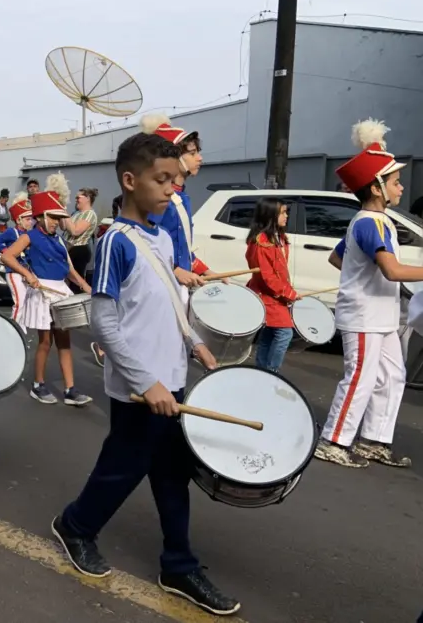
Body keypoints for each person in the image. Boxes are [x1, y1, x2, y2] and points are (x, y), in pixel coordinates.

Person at [50, 132, 237, 617]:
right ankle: (75, 525)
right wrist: (143, 381)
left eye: (176, 180)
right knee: (124, 468)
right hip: (140, 388)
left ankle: (178, 564)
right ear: (130, 181)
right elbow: (103, 320)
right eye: (162, 179)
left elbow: (172, 304)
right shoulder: (115, 241)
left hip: (168, 379)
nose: (172, 188)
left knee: (173, 475)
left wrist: (195, 342)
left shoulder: (162, 235)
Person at [315, 119, 419, 470]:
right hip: (364, 316)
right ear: (376, 188)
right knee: (359, 377)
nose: (401, 187)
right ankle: (333, 441)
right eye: (395, 182)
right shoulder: (371, 222)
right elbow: (392, 270)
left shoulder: (371, 220)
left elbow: (336, 257)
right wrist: (360, 281)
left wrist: (355, 274)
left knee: (392, 376)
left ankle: (374, 440)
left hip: (380, 316)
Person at [0, 177, 93, 407]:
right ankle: (38, 384)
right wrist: (27, 274)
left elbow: (69, 269)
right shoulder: (28, 236)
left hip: (59, 291)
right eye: (52, 217)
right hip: (41, 291)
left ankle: (70, 389)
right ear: (40, 217)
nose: (55, 222)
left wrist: (85, 286)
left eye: (58, 218)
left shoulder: (60, 241)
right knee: (45, 342)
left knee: (64, 341)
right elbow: (6, 256)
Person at [140, 114, 225, 293]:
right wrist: (175, 270)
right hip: (158, 287)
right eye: (192, 153)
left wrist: (208, 272)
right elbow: (143, 243)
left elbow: (183, 249)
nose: (200, 158)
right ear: (173, 157)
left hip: (177, 287)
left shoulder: (182, 197)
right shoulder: (158, 197)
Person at [245, 198, 298, 373]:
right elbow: (266, 276)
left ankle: (261, 370)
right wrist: (288, 293)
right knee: (284, 333)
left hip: (276, 294)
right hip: (267, 294)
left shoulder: (280, 237)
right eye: (282, 212)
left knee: (269, 333)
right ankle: (271, 371)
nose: (286, 216)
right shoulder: (260, 241)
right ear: (270, 215)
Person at [0, 192, 33, 327]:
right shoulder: (11, 232)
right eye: (27, 219)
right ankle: (12, 328)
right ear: (19, 220)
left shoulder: (29, 234)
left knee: (26, 303)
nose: (30, 221)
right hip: (13, 271)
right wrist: (6, 252)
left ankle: (22, 329)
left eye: (30, 218)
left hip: (25, 271)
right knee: (19, 302)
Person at [60, 185, 99, 289]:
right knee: (67, 279)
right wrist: (60, 212)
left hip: (79, 249)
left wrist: (65, 213)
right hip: (69, 248)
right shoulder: (76, 213)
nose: (76, 200)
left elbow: (75, 231)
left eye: (78, 198)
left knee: (76, 282)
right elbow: (64, 227)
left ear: (88, 198)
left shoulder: (90, 214)